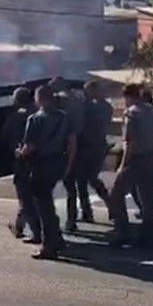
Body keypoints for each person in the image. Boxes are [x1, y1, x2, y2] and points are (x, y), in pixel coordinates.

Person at [17, 85, 76, 260]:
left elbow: (30, 147)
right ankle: (57, 238)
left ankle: (49, 245)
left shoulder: (35, 119)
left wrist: (19, 153)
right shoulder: (64, 117)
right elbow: (72, 142)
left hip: (40, 165)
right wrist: (68, 165)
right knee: (47, 202)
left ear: (40, 98)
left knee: (44, 207)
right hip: (58, 163)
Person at [107, 83, 153, 249]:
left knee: (116, 194)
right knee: (148, 198)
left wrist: (122, 165)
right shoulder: (151, 110)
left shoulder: (131, 114)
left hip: (136, 159)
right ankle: (149, 235)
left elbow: (129, 143)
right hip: (152, 157)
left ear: (127, 97)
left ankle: (123, 232)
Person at [50, 77, 87, 232]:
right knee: (75, 185)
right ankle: (76, 216)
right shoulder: (78, 100)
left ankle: (58, 221)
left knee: (51, 185)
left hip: (63, 146)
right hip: (80, 143)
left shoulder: (61, 102)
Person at [75, 80, 113, 222]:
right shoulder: (106, 107)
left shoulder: (91, 107)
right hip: (98, 145)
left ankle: (88, 211)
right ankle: (106, 205)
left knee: (84, 180)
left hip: (88, 146)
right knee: (90, 178)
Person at [2, 87, 35, 241]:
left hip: (23, 161)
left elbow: (4, 138)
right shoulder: (38, 114)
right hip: (42, 162)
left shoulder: (14, 118)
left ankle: (34, 230)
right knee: (36, 196)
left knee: (25, 196)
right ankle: (20, 226)